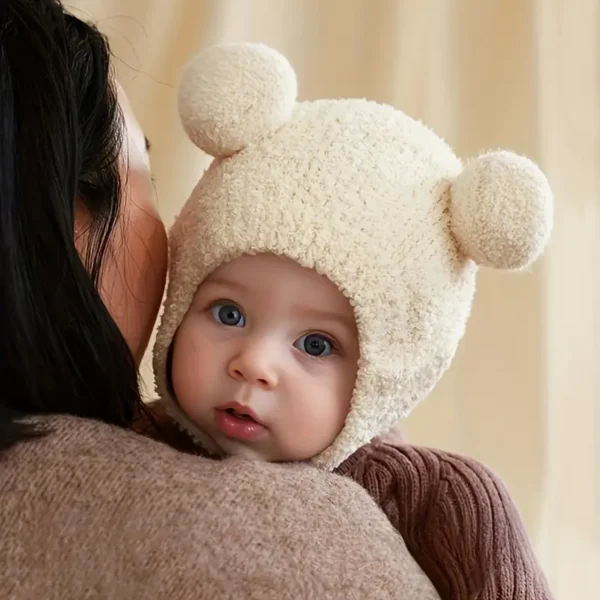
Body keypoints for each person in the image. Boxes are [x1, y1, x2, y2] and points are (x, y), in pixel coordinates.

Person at [0, 3, 443, 599]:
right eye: (144, 177)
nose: (254, 364)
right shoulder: (280, 550)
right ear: (45, 215)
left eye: (316, 344)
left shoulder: (432, 490)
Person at [146, 42, 555, 599]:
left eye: (316, 344)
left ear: (389, 376)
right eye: (229, 312)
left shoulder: (441, 498)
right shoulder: (125, 435)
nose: (254, 363)